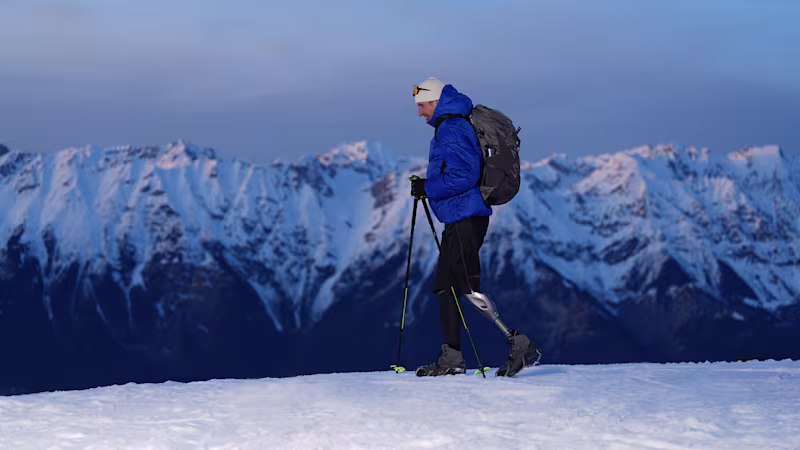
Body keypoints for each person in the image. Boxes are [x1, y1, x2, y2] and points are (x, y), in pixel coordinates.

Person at [410, 77, 539, 377]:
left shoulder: (451, 127)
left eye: (422, 105)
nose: (419, 113)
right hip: (462, 215)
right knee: (449, 286)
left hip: (465, 216)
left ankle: (517, 343)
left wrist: (428, 187)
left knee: (461, 286)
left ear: (435, 101)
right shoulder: (453, 124)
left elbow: (465, 174)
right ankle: (452, 356)